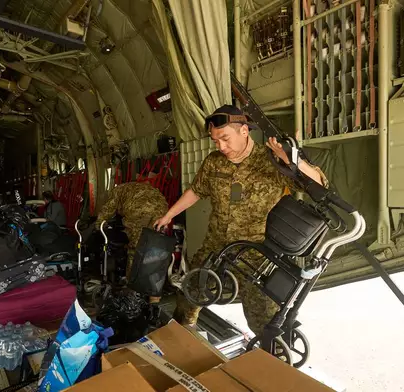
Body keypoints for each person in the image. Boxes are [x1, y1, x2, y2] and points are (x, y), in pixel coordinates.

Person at [154, 105, 328, 336]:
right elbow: (196, 190)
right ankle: (182, 337)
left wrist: (293, 161)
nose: (221, 146)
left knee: (263, 318)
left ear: (244, 131)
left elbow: (320, 186)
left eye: (225, 139)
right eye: (216, 141)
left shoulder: (271, 161)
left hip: (256, 256)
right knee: (191, 294)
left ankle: (272, 357)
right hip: (215, 247)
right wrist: (169, 214)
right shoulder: (214, 162)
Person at [96, 181, 169, 319]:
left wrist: (99, 225)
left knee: (135, 251)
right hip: (162, 209)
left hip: (139, 210)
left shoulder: (117, 191)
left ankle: (133, 296)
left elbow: (108, 209)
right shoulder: (141, 187)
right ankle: (154, 297)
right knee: (156, 250)